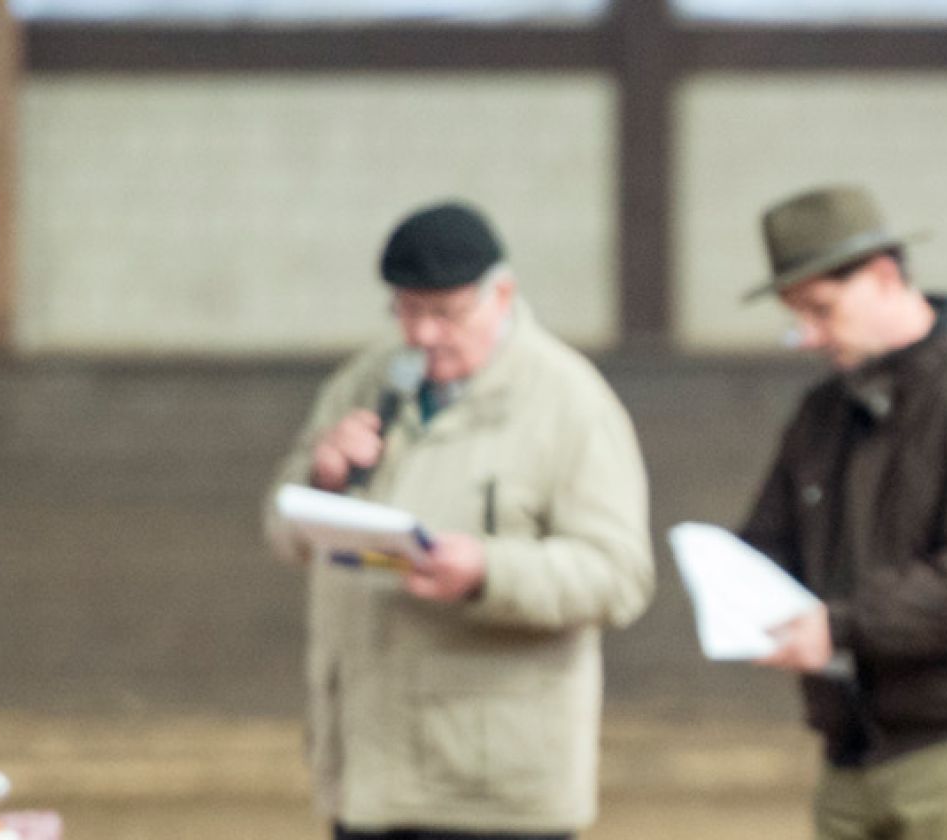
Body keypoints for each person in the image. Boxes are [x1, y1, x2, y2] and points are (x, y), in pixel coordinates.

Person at [261, 201, 656, 840]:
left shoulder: (569, 403)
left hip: (495, 789)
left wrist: (487, 573)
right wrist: (322, 479)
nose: (422, 335)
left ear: (502, 294)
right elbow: (282, 530)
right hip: (367, 776)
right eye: (407, 310)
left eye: (445, 313)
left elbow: (620, 576)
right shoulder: (364, 382)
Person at [733, 185, 947, 840]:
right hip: (849, 763)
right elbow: (767, 543)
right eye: (797, 316)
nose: (808, 337)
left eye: (821, 310)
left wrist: (839, 626)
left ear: (884, 276)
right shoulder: (822, 415)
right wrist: (751, 600)